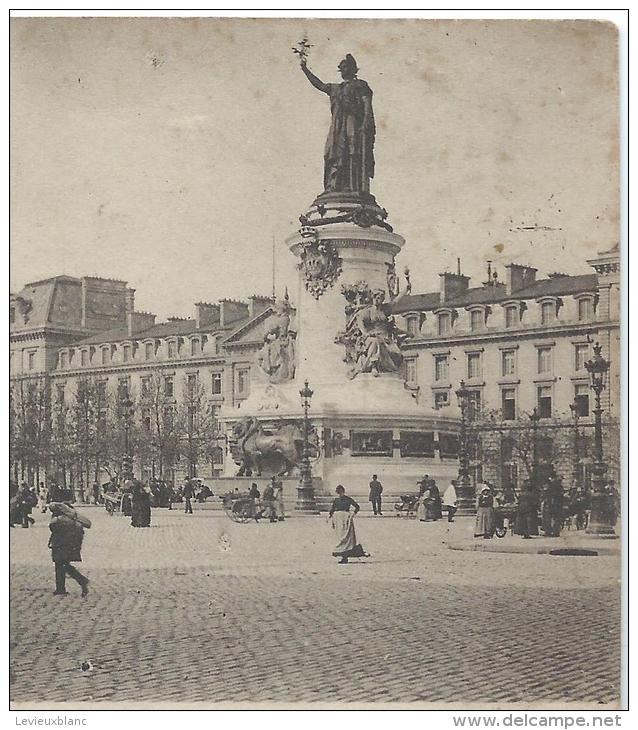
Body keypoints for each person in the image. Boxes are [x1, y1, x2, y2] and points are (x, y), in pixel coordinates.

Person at [48, 502, 90, 597]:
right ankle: (61, 588)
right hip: (68, 545)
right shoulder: (72, 518)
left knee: (61, 565)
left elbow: (53, 528)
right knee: (63, 565)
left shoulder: (58, 519)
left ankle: (80, 581)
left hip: (60, 545)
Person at [328, 485, 368, 564]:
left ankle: (345, 556)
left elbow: (357, 506)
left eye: (341, 492)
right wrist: (330, 517)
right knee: (340, 537)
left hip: (346, 520)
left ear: (343, 491)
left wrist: (353, 514)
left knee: (347, 537)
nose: (340, 494)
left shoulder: (348, 499)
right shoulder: (336, 500)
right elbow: (332, 509)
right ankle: (343, 556)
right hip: (339, 521)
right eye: (339, 493)